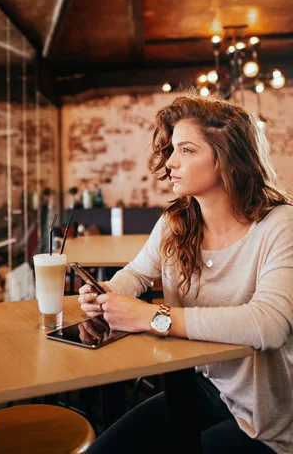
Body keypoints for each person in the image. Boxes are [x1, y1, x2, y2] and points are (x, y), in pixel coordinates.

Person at [78, 94, 293, 454]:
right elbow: (136, 274)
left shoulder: (280, 224)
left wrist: (152, 317)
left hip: (268, 418)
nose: (171, 162)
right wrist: (105, 295)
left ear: (227, 158)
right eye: (173, 149)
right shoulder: (177, 221)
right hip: (205, 387)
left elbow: (268, 325)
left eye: (187, 150)